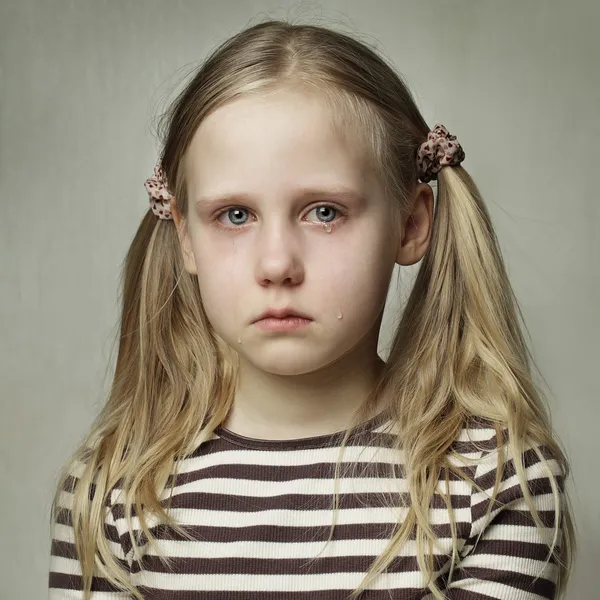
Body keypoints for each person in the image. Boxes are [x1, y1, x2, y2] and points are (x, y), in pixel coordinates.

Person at [48, 19, 575, 600]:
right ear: (186, 238)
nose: (277, 264)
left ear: (411, 224)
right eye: (235, 215)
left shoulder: (494, 483)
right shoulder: (114, 490)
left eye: (324, 212)